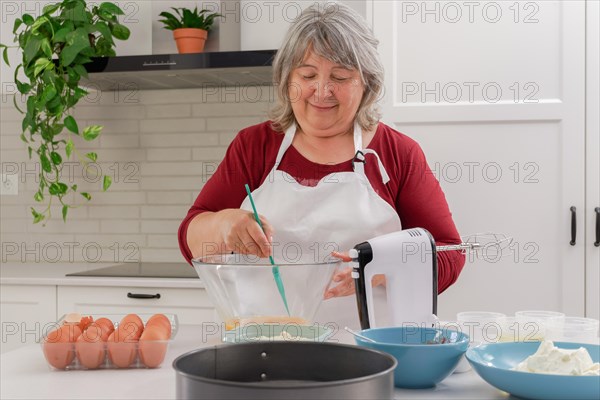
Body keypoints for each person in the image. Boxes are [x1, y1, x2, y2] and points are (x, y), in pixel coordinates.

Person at [178, 3, 465, 331]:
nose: (322, 90)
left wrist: (381, 271)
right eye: (308, 75)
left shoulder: (397, 153)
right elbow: (191, 238)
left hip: (367, 356)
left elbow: (449, 253)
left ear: (366, 84)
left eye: (340, 77)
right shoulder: (253, 147)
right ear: (287, 79)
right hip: (263, 352)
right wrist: (225, 225)